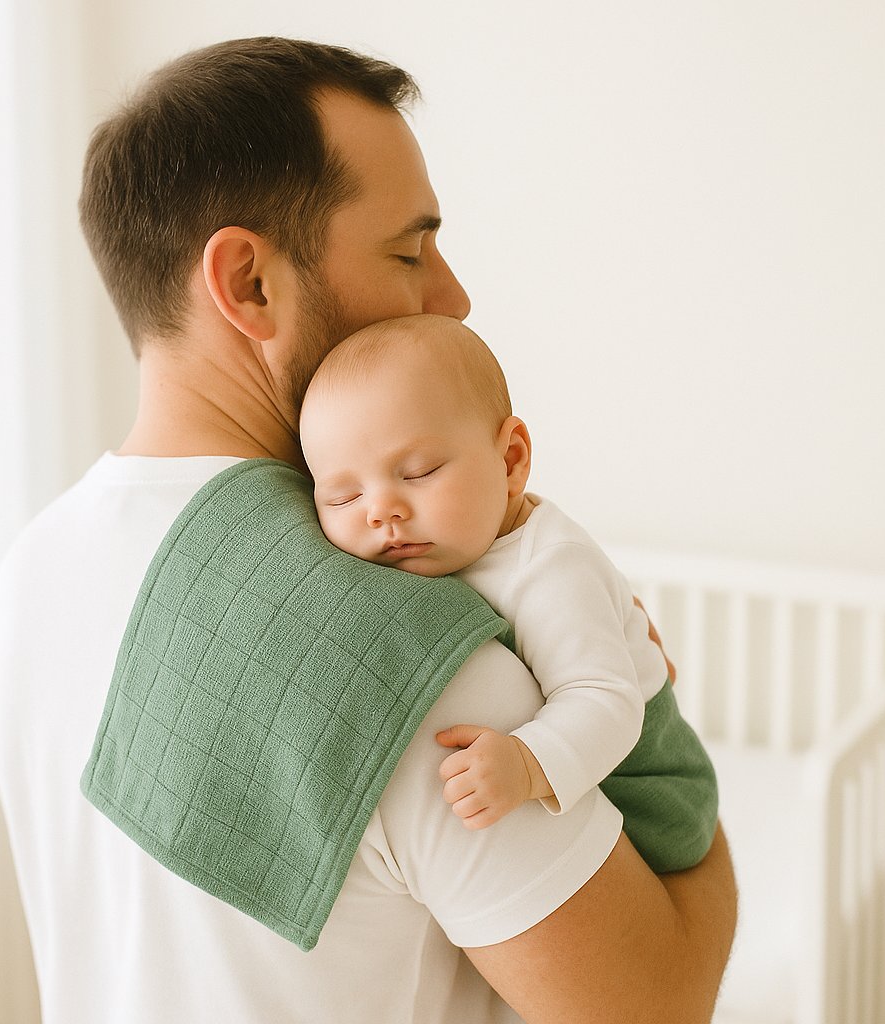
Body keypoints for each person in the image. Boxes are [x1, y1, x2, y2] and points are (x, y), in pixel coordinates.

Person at [0, 37, 736, 1024]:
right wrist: (656, 726)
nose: (453, 297)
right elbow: (655, 1002)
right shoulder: (424, 665)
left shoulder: (26, 577)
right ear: (248, 283)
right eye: (407, 250)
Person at [299, 314, 716, 866]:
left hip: (651, 791)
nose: (381, 511)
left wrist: (526, 763)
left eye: (419, 471)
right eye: (342, 497)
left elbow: (607, 702)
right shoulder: (439, 546)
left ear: (510, 460)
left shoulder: (550, 567)